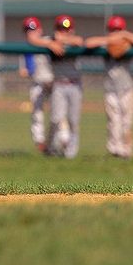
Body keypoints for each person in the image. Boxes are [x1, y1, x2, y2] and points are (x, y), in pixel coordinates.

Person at [85, 15, 133, 159]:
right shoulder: (105, 43)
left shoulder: (127, 43)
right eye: (113, 29)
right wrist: (110, 39)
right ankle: (115, 150)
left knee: (127, 122)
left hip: (127, 89)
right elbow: (88, 43)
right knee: (113, 121)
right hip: (110, 89)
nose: (116, 32)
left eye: (118, 29)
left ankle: (127, 150)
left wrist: (124, 35)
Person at [26, 15, 84, 158]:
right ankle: (51, 148)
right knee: (56, 119)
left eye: (67, 29)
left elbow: (80, 41)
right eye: (61, 29)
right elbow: (32, 39)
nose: (64, 31)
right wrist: (50, 44)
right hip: (59, 84)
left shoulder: (73, 41)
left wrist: (62, 39)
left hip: (75, 84)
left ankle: (71, 154)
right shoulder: (50, 40)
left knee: (73, 120)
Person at [20, 17, 54, 153]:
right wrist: (26, 70)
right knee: (37, 113)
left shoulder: (47, 40)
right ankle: (40, 142)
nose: (31, 33)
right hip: (37, 83)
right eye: (28, 30)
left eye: (33, 30)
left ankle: (59, 141)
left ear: (40, 30)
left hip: (53, 81)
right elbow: (23, 70)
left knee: (57, 114)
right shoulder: (26, 49)